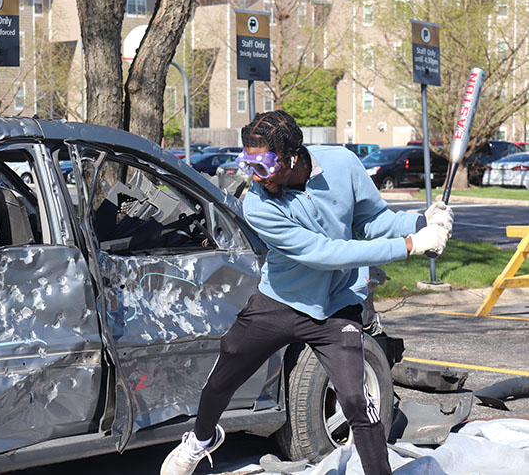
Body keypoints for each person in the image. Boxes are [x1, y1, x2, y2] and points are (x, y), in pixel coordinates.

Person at [160, 110, 453, 475]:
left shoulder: (343, 164)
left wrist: (422, 222)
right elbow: (323, 253)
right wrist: (409, 245)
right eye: (248, 164)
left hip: (337, 307)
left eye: (263, 167)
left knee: (356, 401)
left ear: (292, 157)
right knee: (223, 376)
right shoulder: (258, 204)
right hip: (279, 302)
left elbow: (375, 220)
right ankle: (200, 440)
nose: (254, 176)